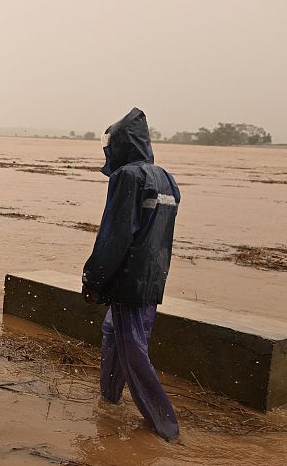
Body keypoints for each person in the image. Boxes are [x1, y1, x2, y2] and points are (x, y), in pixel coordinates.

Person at [81, 107, 181, 441]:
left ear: (122, 145)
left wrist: (93, 279)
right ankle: (109, 399)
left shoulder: (128, 177)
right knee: (114, 334)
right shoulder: (166, 178)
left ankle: (164, 426)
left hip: (128, 281)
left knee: (132, 349)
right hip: (153, 278)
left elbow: (116, 234)